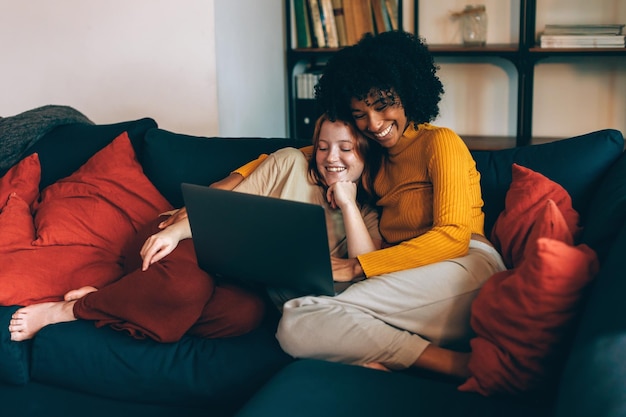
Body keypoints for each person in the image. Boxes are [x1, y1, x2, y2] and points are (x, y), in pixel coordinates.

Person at [238, 31, 507, 379]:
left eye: (383, 106)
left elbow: (453, 237)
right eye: (360, 114)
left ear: (409, 92)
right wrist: (238, 177)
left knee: (299, 319)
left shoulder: (439, 142)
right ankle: (408, 360)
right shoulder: (375, 156)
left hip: (465, 267)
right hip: (403, 275)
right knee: (297, 313)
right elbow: (310, 152)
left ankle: (456, 366)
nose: (374, 124)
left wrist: (356, 268)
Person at [8, 115, 382, 342]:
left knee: (242, 316)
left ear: (366, 153)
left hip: (234, 277)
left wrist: (347, 202)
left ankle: (119, 295)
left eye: (346, 149)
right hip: (189, 237)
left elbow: (366, 267)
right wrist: (174, 231)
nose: (331, 158)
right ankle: (68, 312)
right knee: (185, 287)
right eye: (322, 147)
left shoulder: (367, 215)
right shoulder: (289, 163)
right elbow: (222, 212)